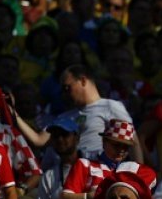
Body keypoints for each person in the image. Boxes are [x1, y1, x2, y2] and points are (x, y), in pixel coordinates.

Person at [13, 63, 144, 163]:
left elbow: (133, 141)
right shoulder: (64, 117)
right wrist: (12, 112)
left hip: (97, 173)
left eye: (67, 87)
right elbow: (38, 140)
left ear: (82, 80)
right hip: (66, 176)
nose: (64, 93)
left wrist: (139, 176)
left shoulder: (110, 106)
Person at [61, 119, 157, 199]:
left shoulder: (133, 170)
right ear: (103, 142)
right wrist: (90, 197)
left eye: (126, 147)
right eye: (116, 145)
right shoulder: (85, 164)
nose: (121, 150)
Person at [35, 118, 81, 199]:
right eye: (55, 136)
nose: (60, 139)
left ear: (76, 137)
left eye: (64, 135)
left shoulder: (93, 168)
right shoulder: (49, 176)